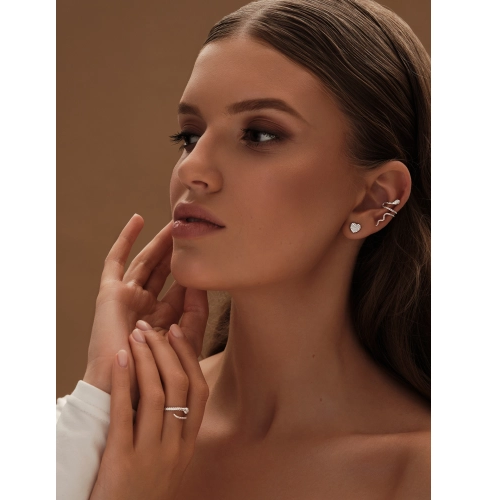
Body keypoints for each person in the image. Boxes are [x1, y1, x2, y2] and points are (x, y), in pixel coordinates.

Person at [56, 0, 431, 498]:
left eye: (259, 135)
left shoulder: (427, 470)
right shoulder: (99, 422)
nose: (191, 169)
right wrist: (104, 397)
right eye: (190, 136)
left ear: (375, 197)